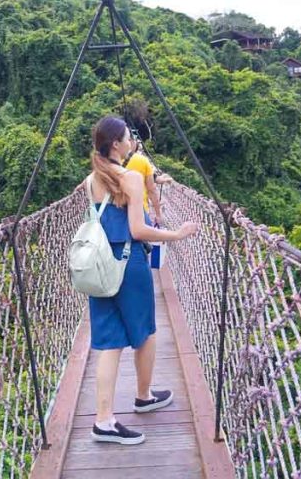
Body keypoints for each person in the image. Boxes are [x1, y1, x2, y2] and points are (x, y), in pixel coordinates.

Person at [83, 116, 200, 445]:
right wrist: (176, 234)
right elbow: (137, 230)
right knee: (145, 332)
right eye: (128, 137)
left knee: (109, 342)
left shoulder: (92, 178)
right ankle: (143, 396)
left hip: (101, 266)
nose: (132, 140)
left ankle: (103, 420)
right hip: (129, 263)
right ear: (117, 144)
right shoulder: (130, 177)